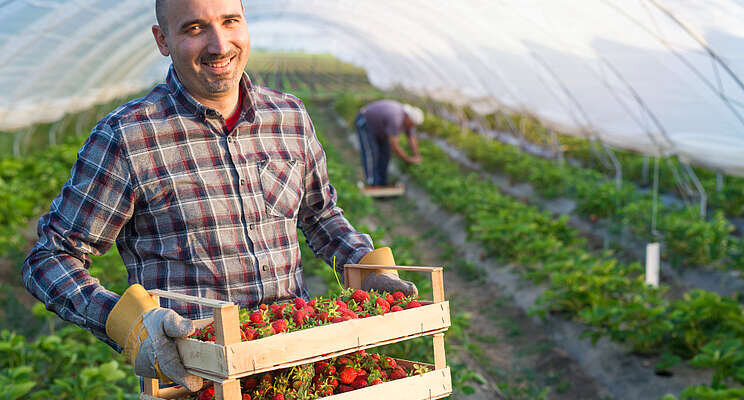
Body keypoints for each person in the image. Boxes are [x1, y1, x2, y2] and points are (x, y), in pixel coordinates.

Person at [21, 0, 417, 393]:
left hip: (299, 369)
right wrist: (130, 324)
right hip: (198, 381)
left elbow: (319, 214)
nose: (219, 44)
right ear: (162, 40)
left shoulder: (290, 117)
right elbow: (51, 257)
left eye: (230, 22)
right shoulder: (128, 137)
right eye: (194, 29)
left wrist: (367, 265)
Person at [355, 99, 424, 187]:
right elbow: (394, 145)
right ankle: (372, 183)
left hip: (380, 129)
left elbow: (412, 138)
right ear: (408, 117)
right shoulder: (396, 118)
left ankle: (382, 182)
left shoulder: (408, 122)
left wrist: (416, 155)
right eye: (412, 124)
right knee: (371, 153)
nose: (412, 126)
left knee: (385, 154)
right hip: (365, 122)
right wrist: (407, 159)